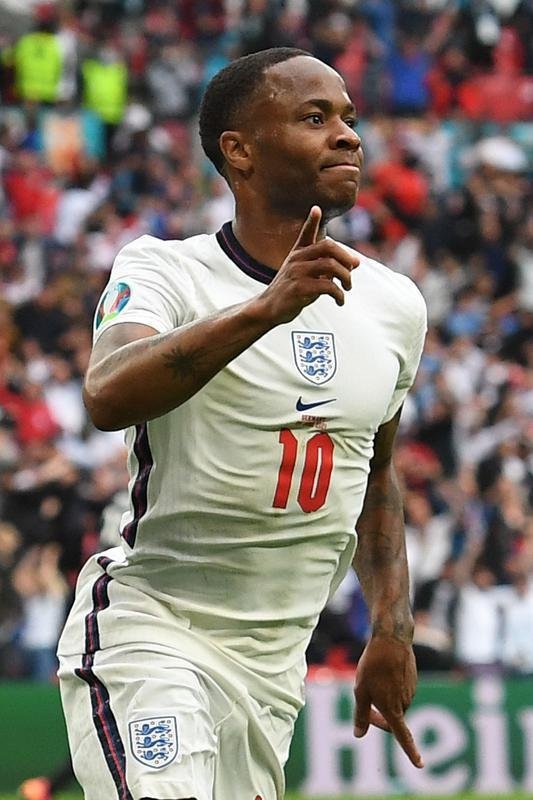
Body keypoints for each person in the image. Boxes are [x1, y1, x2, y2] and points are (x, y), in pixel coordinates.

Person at [57, 47, 427, 800]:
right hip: (152, 630)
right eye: (314, 117)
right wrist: (263, 310)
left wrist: (391, 627)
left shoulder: (393, 304)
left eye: (348, 118)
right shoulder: (165, 270)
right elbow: (107, 393)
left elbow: (375, 472)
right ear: (239, 150)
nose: (348, 135)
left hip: (270, 671)